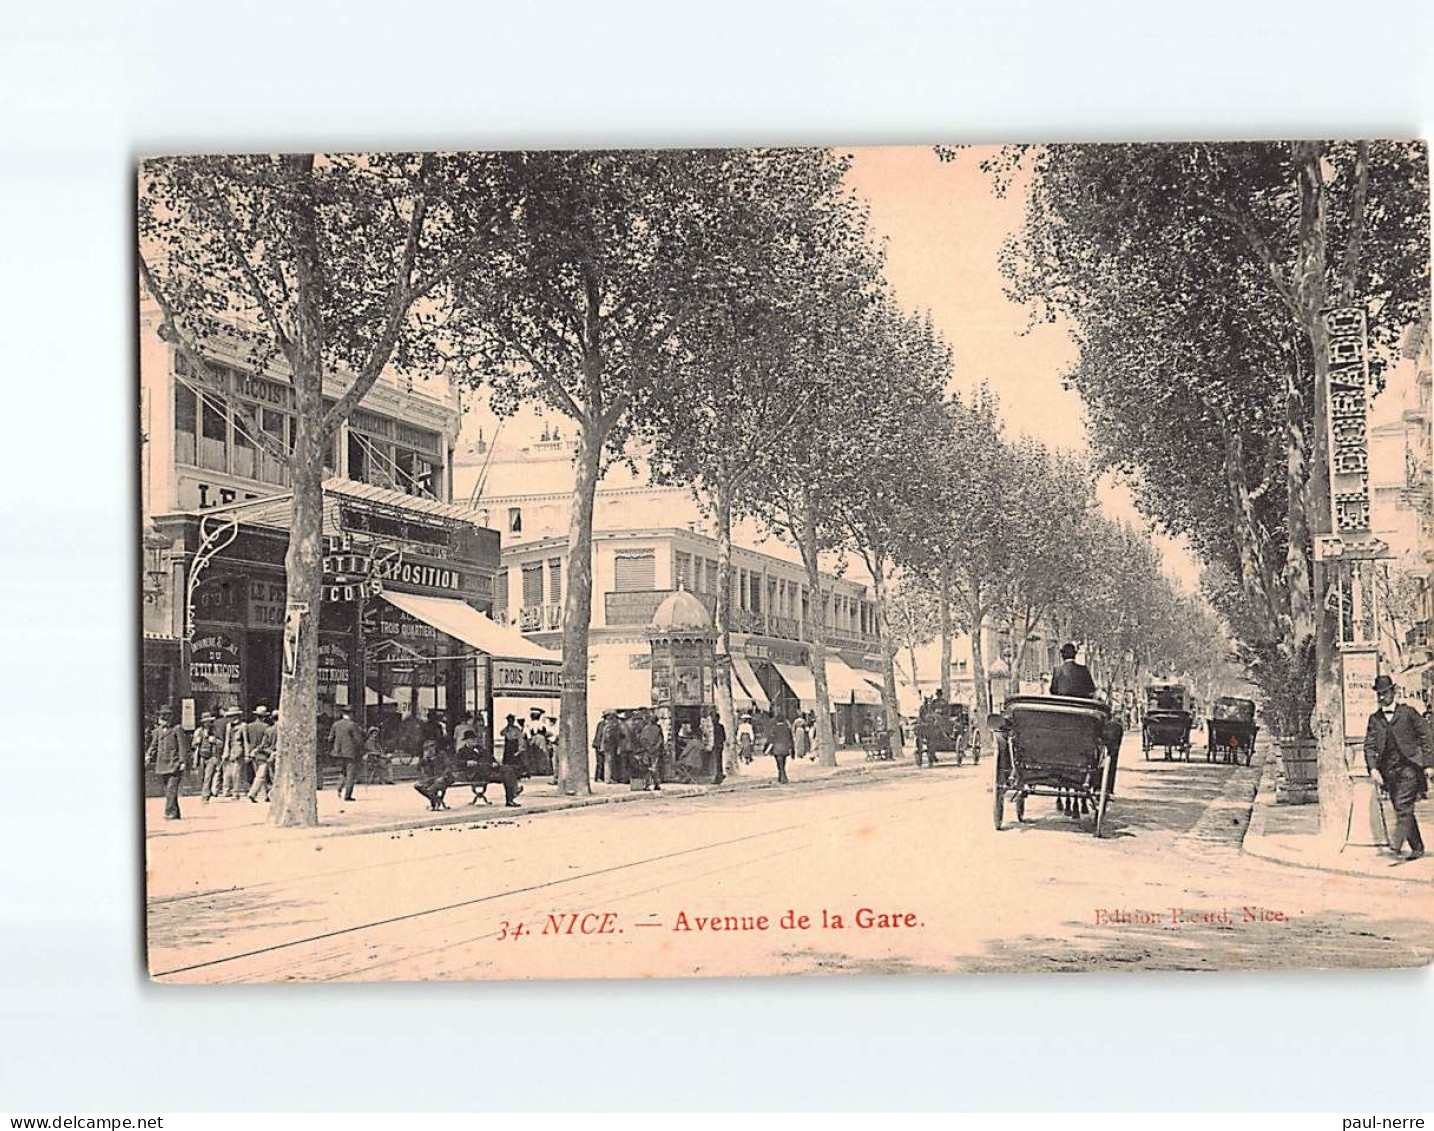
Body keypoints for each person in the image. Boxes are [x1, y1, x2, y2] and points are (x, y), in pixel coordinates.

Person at [1364, 675, 1432, 865]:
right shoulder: (1375, 719)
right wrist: (1373, 769)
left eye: (1384, 693)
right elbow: (1369, 745)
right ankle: (1417, 847)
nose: (1381, 698)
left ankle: (1396, 843)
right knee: (1402, 808)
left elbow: (1427, 737)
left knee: (1403, 805)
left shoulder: (1408, 713)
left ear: (1393, 692)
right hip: (1389, 772)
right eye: (1378, 694)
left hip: (1410, 768)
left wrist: (1428, 764)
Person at [145, 704, 191, 820]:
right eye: (162, 715)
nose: (165, 717)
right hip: (162, 764)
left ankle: (169, 812)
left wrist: (182, 761)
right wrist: (148, 755)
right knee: (168, 790)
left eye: (167, 715)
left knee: (171, 788)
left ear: (171, 716)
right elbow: (154, 745)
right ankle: (175, 812)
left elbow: (182, 747)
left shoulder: (177, 729)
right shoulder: (158, 731)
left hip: (174, 763)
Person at [456, 730, 524, 807]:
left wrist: (494, 762)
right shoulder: (462, 751)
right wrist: (467, 763)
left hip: (487, 771)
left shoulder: (480, 748)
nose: (474, 741)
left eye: (474, 739)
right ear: (466, 741)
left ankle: (511, 796)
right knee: (506, 773)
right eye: (471, 739)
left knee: (507, 769)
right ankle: (513, 794)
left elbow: (490, 757)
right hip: (476, 774)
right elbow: (457, 763)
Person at [329, 707, 365, 802]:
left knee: (343, 771)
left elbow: (330, 738)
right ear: (351, 714)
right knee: (350, 774)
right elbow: (358, 740)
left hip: (338, 753)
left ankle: (339, 787)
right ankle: (347, 795)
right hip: (350, 753)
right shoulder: (352, 725)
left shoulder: (335, 724)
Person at [414, 738, 456, 811]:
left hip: (445, 778)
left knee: (435, 785)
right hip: (432, 779)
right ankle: (437, 800)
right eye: (427, 748)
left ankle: (435, 802)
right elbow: (418, 768)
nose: (430, 750)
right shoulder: (426, 759)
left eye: (432, 747)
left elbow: (448, 767)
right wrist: (424, 759)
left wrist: (442, 776)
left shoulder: (442, 754)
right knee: (417, 785)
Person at [247, 709, 277, 803]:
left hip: (260, 754)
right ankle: (267, 794)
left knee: (261, 775)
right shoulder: (268, 727)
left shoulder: (249, 726)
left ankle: (261, 793)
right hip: (273, 754)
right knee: (269, 776)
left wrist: (255, 750)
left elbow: (263, 744)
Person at [194, 712, 223, 802]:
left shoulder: (215, 731)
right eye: (205, 722)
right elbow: (193, 745)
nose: (207, 724)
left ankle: (205, 796)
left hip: (212, 756)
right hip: (201, 756)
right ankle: (207, 791)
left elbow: (221, 743)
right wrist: (196, 742)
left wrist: (215, 741)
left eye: (209, 722)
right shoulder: (199, 731)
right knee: (202, 776)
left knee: (208, 776)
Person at [220, 706, 248, 798]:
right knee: (227, 772)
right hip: (229, 750)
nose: (230, 718)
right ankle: (226, 790)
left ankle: (236, 792)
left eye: (232, 716)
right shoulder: (228, 726)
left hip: (237, 751)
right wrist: (225, 751)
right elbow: (227, 740)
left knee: (236, 773)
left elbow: (245, 741)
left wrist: (246, 754)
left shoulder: (243, 726)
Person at [634, 712, 664, 791]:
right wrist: (655, 748)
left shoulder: (645, 728)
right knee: (654, 768)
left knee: (647, 768)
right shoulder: (658, 729)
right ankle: (656, 784)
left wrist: (647, 748)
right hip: (655, 751)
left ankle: (647, 785)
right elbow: (661, 741)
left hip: (647, 751)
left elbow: (642, 740)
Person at [766, 713, 794, 784]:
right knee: (783, 763)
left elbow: (770, 739)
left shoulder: (774, 728)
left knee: (779, 763)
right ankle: (782, 777)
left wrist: (766, 749)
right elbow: (791, 739)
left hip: (777, 748)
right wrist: (792, 749)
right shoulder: (787, 728)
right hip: (785, 748)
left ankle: (782, 777)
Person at [593, 711, 614, 782]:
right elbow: (599, 735)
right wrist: (599, 745)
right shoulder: (602, 724)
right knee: (600, 762)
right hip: (600, 745)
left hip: (604, 745)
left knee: (604, 762)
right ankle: (598, 777)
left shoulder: (609, 724)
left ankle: (602, 777)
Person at [711, 713, 727, 786]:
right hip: (719, 746)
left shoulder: (715, 727)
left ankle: (718, 776)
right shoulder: (720, 726)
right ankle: (719, 775)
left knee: (717, 762)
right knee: (718, 762)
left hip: (717, 746)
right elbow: (724, 737)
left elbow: (723, 737)